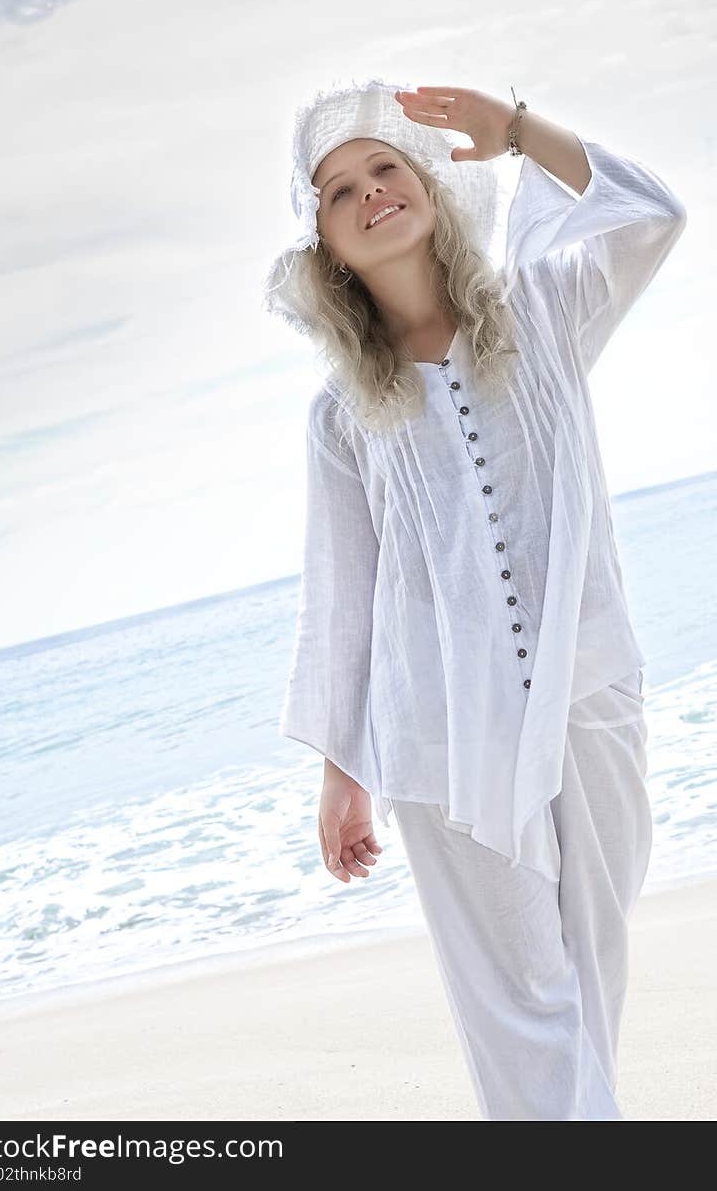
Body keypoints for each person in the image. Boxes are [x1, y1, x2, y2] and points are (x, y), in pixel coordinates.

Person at [263, 76, 688, 1120]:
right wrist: (341, 775)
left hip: (591, 694)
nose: (368, 195)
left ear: (429, 189)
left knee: (591, 973)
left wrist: (514, 133)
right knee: (521, 1009)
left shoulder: (542, 310)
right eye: (338, 192)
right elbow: (344, 597)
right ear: (325, 246)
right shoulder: (341, 416)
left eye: (385, 169)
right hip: (440, 740)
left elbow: (653, 218)